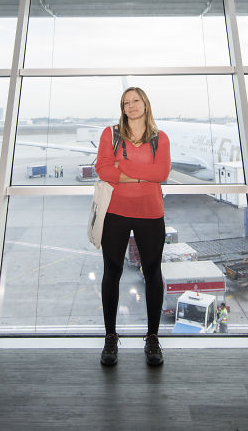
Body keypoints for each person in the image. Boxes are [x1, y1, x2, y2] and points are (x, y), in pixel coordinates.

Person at [95, 87, 171, 367]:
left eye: (135, 100)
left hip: (150, 213)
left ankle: (152, 338)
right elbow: (103, 169)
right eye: (126, 103)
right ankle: (110, 338)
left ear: (145, 104)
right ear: (122, 108)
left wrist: (124, 168)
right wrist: (139, 176)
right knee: (111, 272)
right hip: (115, 212)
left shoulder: (160, 138)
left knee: (152, 273)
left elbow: (161, 173)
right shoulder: (110, 134)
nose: (131, 106)